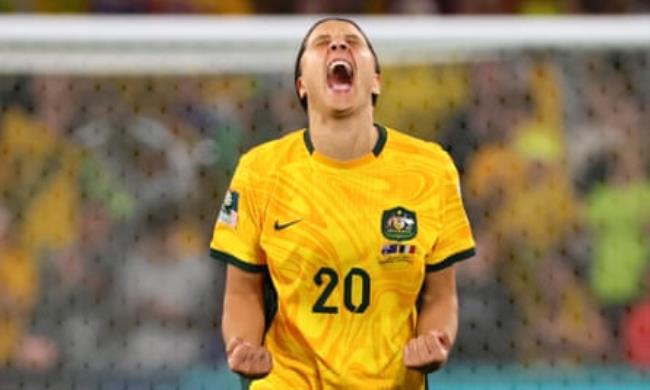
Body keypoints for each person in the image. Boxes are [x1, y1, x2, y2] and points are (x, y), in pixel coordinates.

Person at [209, 17, 475, 389]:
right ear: (302, 85)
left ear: (376, 80)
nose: (337, 46)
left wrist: (436, 340)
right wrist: (243, 345)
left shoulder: (430, 169)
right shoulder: (260, 170)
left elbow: (441, 293)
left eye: (353, 40)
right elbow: (242, 290)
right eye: (321, 43)